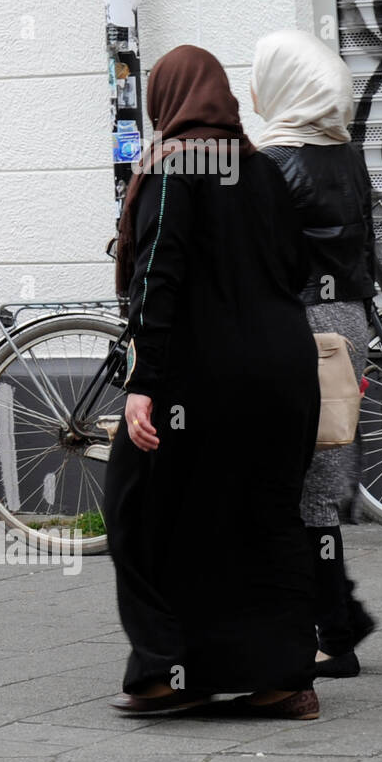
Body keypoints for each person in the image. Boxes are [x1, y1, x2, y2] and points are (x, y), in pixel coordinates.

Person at [104, 44, 321, 719]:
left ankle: (164, 669)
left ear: (166, 102)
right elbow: (296, 266)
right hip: (286, 372)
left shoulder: (173, 168)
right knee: (260, 516)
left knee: (135, 505)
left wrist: (142, 379)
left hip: (202, 380)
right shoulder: (263, 170)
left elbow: (157, 275)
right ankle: (283, 678)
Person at [250, 28, 377, 679]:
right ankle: (337, 617)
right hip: (346, 322)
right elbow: (365, 251)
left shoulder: (270, 161)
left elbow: (261, 261)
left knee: (297, 487)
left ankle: (334, 629)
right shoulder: (348, 155)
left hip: (298, 328)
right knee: (317, 484)